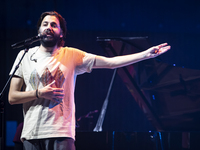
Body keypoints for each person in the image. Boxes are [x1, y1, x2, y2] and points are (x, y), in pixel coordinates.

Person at [8, 11, 171, 150]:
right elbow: (12, 97)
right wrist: (39, 93)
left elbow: (110, 63)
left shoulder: (71, 55)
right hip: (32, 133)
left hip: (61, 133)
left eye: (54, 25)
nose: (49, 27)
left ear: (61, 32)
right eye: (45, 24)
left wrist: (145, 54)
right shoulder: (24, 55)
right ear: (39, 29)